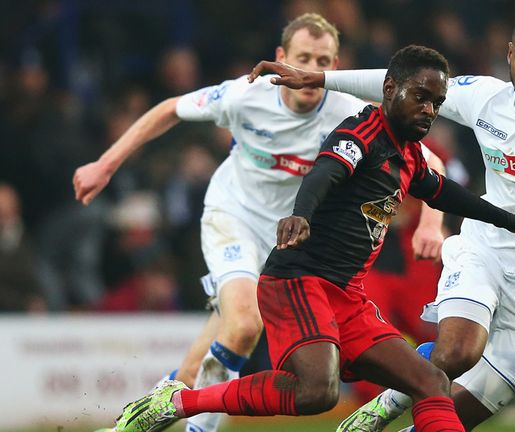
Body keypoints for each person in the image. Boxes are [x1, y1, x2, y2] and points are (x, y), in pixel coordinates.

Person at [105, 44, 515, 432]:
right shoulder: (362, 131)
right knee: (317, 391)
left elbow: (447, 194)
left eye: (436, 102)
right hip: (298, 281)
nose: (428, 109)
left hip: (345, 295)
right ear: (389, 89)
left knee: (432, 383)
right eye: (420, 96)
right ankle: (174, 403)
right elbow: (326, 171)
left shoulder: (411, 156)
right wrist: (301, 215)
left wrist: (512, 221)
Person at [74, 13, 447, 432]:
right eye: (303, 57)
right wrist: (105, 165)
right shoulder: (244, 95)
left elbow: (428, 162)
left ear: (336, 66)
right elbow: (169, 109)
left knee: (223, 340)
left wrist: (430, 225)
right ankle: (194, 421)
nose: (311, 69)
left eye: (322, 60)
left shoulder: (352, 111)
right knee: (245, 321)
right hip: (233, 216)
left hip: (290, 236)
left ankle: (152, 410)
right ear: (281, 57)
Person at [249, 13, 515, 431]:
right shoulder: (485, 96)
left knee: (475, 409)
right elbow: (391, 80)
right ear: (509, 55)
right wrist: (314, 77)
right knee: (457, 353)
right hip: (485, 250)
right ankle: (384, 407)